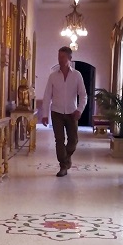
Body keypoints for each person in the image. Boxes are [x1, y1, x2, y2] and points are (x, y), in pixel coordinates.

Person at [41, 46, 87, 177]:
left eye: (62, 57)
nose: (60, 60)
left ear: (70, 58)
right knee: (59, 140)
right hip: (56, 112)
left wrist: (79, 109)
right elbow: (47, 95)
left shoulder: (77, 75)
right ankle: (63, 166)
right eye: (58, 57)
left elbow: (83, 95)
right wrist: (44, 115)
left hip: (72, 113)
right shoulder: (53, 76)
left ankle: (66, 158)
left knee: (73, 140)